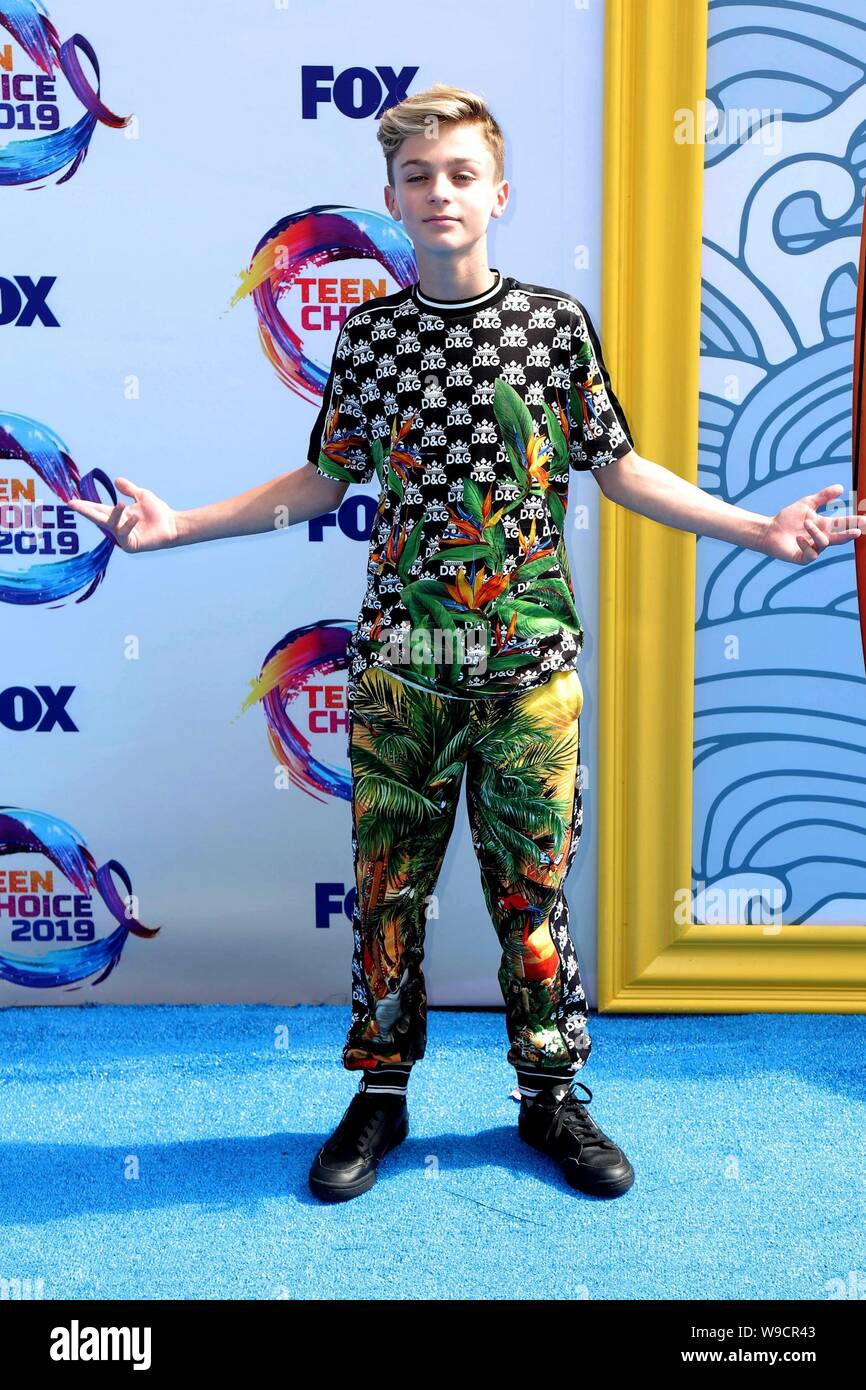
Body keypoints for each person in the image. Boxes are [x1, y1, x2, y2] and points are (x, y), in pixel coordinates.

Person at [68, 84, 865, 1206]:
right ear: (392, 201)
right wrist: (177, 527)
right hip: (403, 675)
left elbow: (622, 469)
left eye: (459, 174)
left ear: (499, 194)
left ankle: (550, 1096)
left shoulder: (553, 327)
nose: (438, 192)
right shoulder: (371, 340)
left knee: (531, 897)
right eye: (416, 177)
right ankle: (380, 1093)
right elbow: (321, 482)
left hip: (529, 676)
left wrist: (757, 528)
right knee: (385, 895)